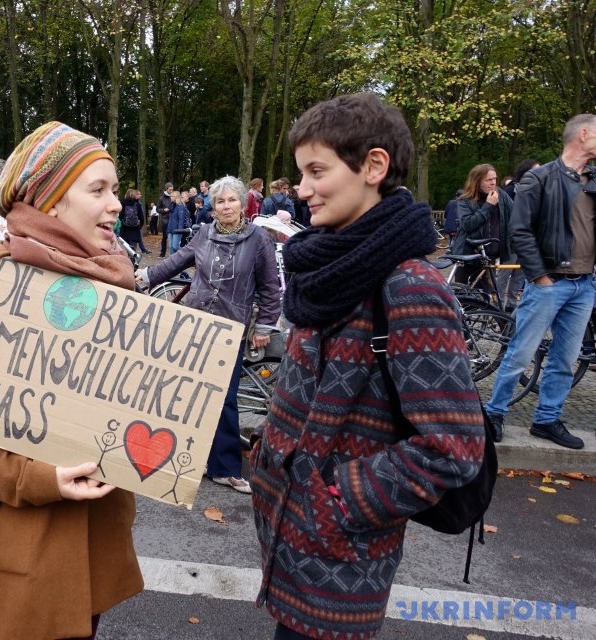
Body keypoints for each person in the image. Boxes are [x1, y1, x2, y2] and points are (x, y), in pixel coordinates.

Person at [251, 93, 484, 640]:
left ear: (373, 167)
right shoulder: (330, 262)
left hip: (340, 558)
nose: (301, 189)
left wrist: (335, 501)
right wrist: (270, 447)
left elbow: (453, 447)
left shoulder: (410, 288)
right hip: (290, 536)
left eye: (316, 171)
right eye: (300, 172)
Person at [0, 121, 143, 640]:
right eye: (98, 190)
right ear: (49, 202)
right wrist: (40, 481)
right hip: (24, 550)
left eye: (114, 189)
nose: (116, 204)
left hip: (95, 545)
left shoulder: (114, 289)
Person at [135, 176, 281, 494]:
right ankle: (192, 458)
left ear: (243, 204)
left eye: (231, 200)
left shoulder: (258, 239)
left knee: (224, 400)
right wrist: (147, 275)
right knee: (190, 394)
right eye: (220, 201)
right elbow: (177, 260)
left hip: (231, 329)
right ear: (212, 207)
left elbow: (270, 287)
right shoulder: (205, 233)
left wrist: (266, 325)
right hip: (196, 325)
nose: (226, 206)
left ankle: (225, 468)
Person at [484, 114, 596, 449]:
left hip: (584, 284)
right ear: (584, 134)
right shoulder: (541, 179)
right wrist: (541, 277)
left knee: (565, 358)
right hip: (549, 282)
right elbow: (520, 231)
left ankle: (546, 420)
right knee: (521, 353)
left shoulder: (593, 180)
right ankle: (494, 414)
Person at [450, 164, 515, 288]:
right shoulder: (465, 200)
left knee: (485, 296)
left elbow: (516, 214)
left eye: (494, 179)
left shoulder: (501, 195)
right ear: (477, 181)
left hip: (489, 256)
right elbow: (468, 224)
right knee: (463, 295)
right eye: (488, 180)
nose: (493, 183)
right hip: (468, 254)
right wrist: (488, 205)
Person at [497, 159, 540, 310]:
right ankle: (498, 301)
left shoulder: (539, 190)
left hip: (529, 240)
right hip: (511, 240)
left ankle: (511, 302)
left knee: (520, 273)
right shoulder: (510, 191)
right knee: (506, 271)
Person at [118, 188, 148, 254]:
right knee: (133, 247)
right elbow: (141, 217)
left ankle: (126, 259)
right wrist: (139, 226)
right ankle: (133, 260)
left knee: (125, 246)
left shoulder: (123, 203)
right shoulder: (137, 204)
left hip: (125, 229)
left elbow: (120, 216)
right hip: (135, 228)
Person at [156, 182, 173, 256]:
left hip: (173, 219)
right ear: (166, 189)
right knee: (164, 237)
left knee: (172, 237)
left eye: (172, 189)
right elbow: (157, 209)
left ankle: (173, 254)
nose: (171, 191)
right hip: (165, 220)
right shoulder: (162, 198)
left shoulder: (173, 196)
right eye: (170, 189)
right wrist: (163, 210)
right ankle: (163, 253)